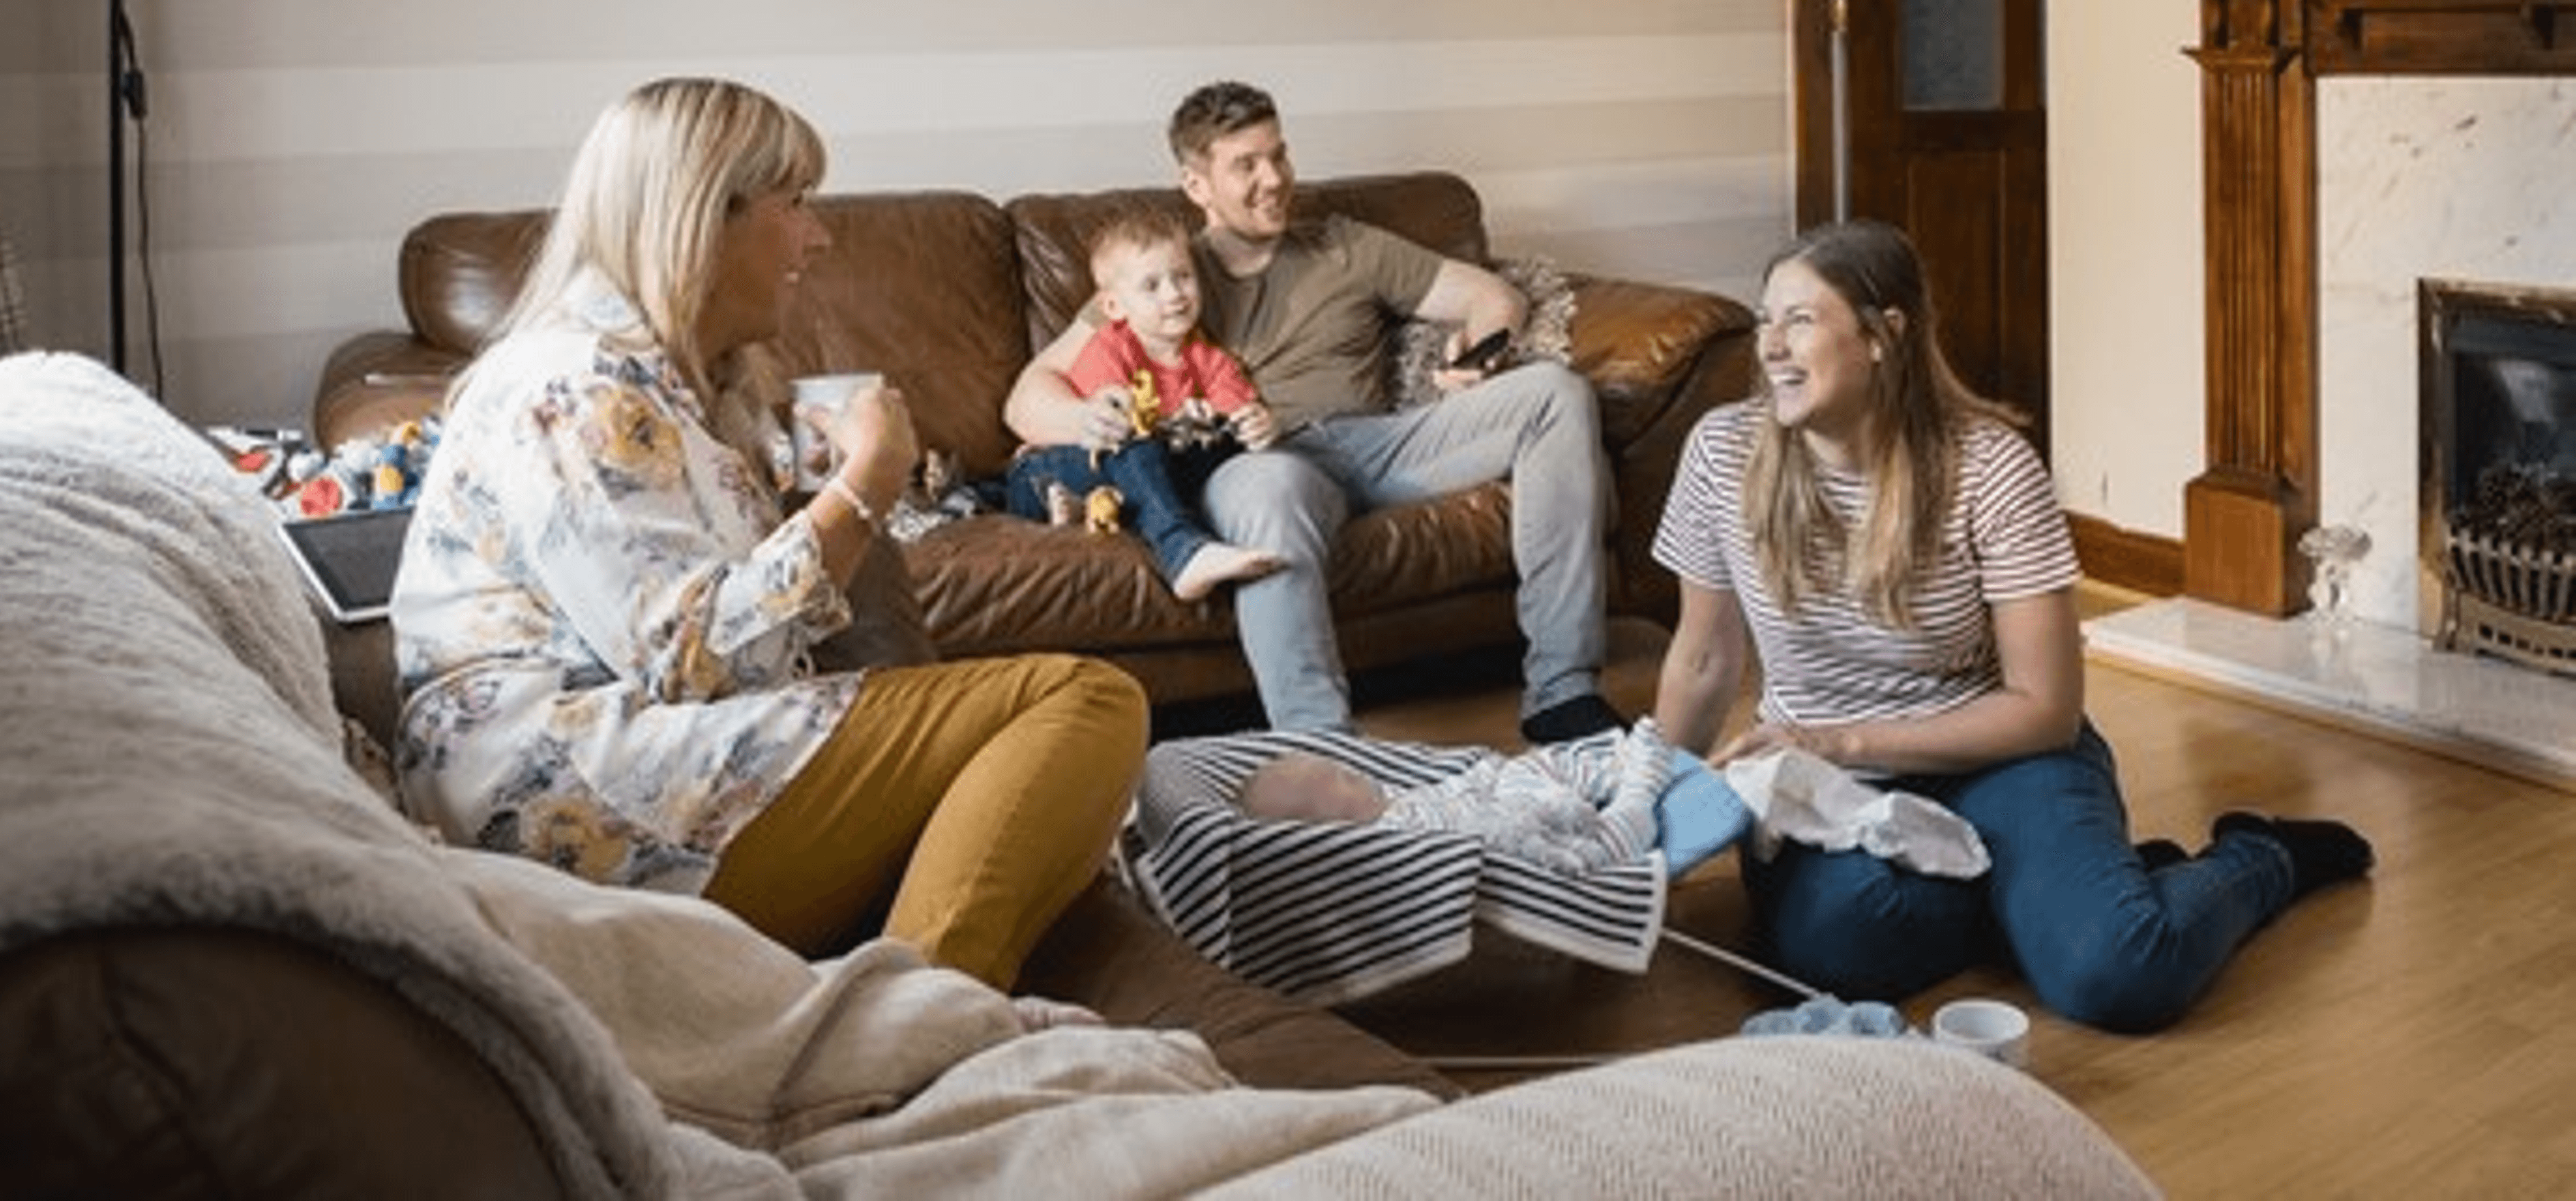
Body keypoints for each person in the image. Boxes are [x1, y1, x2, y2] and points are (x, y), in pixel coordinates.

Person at [389, 77, 1146, 992]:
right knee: (1088, 702)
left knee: (1037, 775)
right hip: (573, 799)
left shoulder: (666, 385)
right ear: (704, 217)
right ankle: (917, 1026)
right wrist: (867, 484)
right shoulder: (574, 384)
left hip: (623, 775)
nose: (819, 237)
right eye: (797, 205)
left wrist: (808, 502)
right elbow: (693, 658)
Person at [1649, 218, 2373, 1033]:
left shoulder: (1989, 468)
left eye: (1801, 320)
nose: (1770, 346)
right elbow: (1704, 658)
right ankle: (2061, 895)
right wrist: (1649, 820)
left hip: (1999, 755)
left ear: (1885, 336)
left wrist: (1835, 740)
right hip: (1823, 786)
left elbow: (2044, 708)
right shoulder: (1722, 454)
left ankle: (2257, 857)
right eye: (1764, 320)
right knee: (1838, 955)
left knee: (2120, 973)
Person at [1005, 80, 1623, 742]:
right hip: (1259, 460)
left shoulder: (1346, 244)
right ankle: (1322, 746)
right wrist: (1085, 420)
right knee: (1270, 488)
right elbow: (1027, 395)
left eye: (1279, 155)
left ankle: (1564, 692)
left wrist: (1480, 350)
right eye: (1246, 165)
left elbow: (1493, 295)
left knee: (1557, 395)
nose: (1273, 179)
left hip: (1380, 444)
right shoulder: (1167, 276)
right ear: (1196, 184)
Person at [1002, 210, 1284, 601]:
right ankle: (1184, 553)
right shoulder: (1111, 347)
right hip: (1051, 469)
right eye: (1152, 285)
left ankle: (1089, 509)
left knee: (1216, 450)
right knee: (1138, 449)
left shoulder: (1211, 360)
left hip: (1131, 474)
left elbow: (1235, 420)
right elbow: (1121, 425)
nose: (1174, 294)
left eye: (1183, 276)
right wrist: (1183, 420)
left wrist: (1256, 426)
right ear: (1114, 307)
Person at [1238, 719, 1677, 874]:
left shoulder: (1396, 804)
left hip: (1515, 802)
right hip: (1551, 843)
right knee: (1617, 834)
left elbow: (1454, 793)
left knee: (1532, 766)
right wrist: (1548, 811)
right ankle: (1640, 783)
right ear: (1335, 832)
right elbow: (1488, 835)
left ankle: (1606, 773)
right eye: (1345, 781)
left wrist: (1490, 773)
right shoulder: (1399, 836)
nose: (1356, 772)